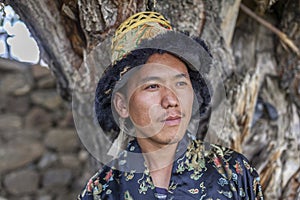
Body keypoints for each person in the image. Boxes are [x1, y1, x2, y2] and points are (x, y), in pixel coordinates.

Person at [78, 11, 263, 200]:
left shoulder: (233, 172)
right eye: (152, 86)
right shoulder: (102, 190)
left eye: (180, 83)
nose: (171, 100)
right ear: (122, 105)